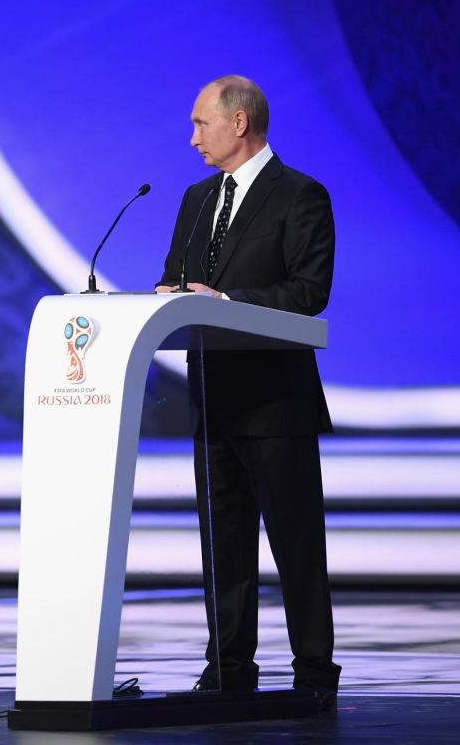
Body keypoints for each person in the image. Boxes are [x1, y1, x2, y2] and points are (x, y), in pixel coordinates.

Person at [154, 75, 340, 706]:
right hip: (214, 397)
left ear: (239, 124)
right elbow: (175, 282)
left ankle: (314, 672)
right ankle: (229, 667)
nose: (192, 138)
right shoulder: (197, 198)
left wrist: (227, 301)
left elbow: (307, 295)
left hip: (276, 403)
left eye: (201, 124)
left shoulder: (300, 197)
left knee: (296, 545)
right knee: (223, 547)